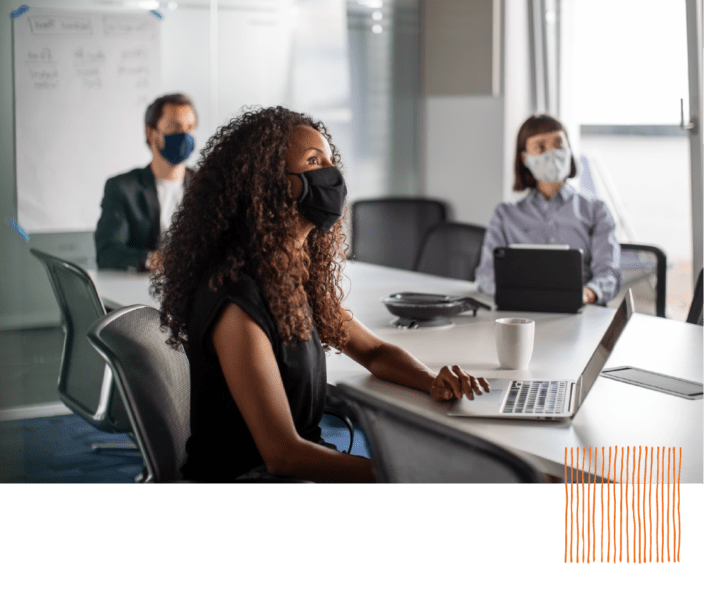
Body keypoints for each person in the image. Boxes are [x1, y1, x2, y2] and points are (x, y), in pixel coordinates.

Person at [151, 106, 490, 484]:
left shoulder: (291, 277)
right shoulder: (235, 299)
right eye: (314, 161)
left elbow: (374, 352)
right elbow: (284, 456)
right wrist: (402, 476)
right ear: (270, 184)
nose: (332, 175)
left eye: (330, 161)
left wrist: (430, 380)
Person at [475, 114, 621, 306]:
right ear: (525, 158)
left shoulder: (596, 210)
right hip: (520, 313)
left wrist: (586, 293)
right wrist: (523, 295)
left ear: (569, 149)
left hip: (582, 311)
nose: (552, 153)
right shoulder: (505, 214)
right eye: (540, 147)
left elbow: (609, 273)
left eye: (559, 144)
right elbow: (486, 275)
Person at [95, 93, 198, 272]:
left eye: (190, 127)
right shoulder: (122, 188)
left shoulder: (206, 185)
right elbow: (107, 252)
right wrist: (154, 260)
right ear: (151, 133)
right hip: (146, 289)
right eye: (175, 127)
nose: (184, 135)